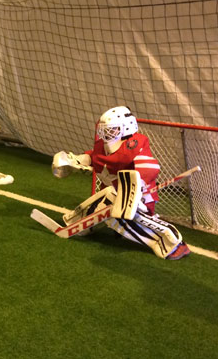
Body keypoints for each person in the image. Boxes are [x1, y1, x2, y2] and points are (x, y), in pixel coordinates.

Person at [51, 105, 190, 260]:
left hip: (138, 200)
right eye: (105, 129)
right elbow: (95, 158)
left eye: (112, 129)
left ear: (127, 127)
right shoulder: (101, 146)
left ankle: (171, 243)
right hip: (113, 195)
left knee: (111, 204)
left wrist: (136, 189)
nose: (107, 133)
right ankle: (78, 224)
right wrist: (76, 160)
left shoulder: (135, 143)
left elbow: (149, 167)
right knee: (105, 199)